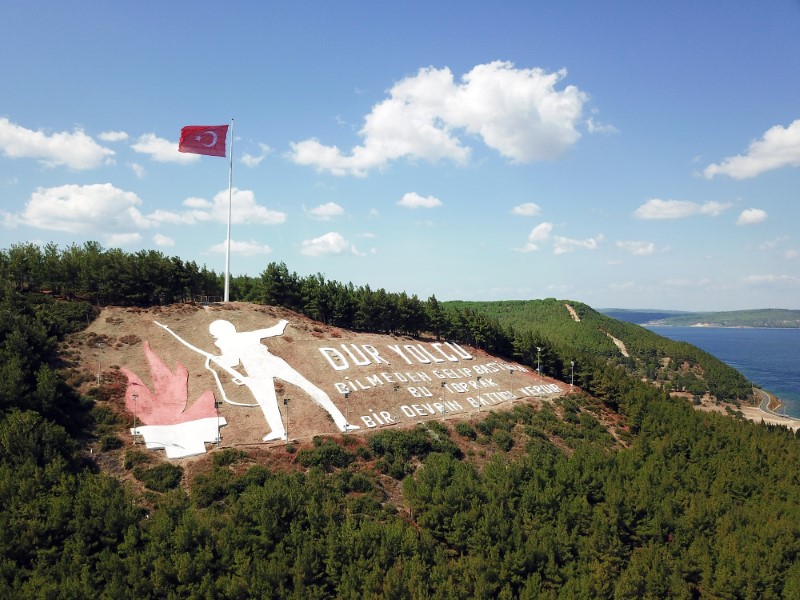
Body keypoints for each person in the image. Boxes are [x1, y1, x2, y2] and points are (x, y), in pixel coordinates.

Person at [208, 318, 358, 441]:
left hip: (262, 367)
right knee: (273, 399)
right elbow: (276, 330)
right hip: (264, 366)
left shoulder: (224, 342)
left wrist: (218, 359)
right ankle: (280, 431)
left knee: (272, 400)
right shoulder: (246, 335)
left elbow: (233, 361)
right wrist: (282, 322)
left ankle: (280, 431)